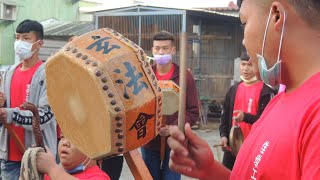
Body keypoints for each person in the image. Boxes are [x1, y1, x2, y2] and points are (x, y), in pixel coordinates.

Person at [167, 0, 320, 179]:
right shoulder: (282, 98)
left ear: (277, 16)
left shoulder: (314, 114)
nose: (244, 41)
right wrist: (211, 170)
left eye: (244, 24)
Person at [0, 19, 57, 180]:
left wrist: (9, 113)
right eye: (17, 37)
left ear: (39, 44)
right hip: (8, 160)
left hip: (38, 159)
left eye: (26, 38)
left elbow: (45, 116)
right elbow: (3, 114)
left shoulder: (49, 74)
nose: (19, 43)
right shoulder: (8, 73)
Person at [141, 30, 199, 180]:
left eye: (165, 48)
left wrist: (173, 127)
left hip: (175, 143)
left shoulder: (184, 76)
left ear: (173, 49)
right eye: (157, 48)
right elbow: (138, 108)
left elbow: (192, 111)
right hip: (149, 142)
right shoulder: (145, 75)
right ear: (152, 50)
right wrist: (153, 127)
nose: (161, 52)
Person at [219, 51, 276, 170]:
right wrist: (224, 136)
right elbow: (224, 117)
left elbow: (268, 123)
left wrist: (245, 117)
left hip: (254, 150)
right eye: (243, 64)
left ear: (258, 66)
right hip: (232, 149)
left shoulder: (266, 92)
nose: (245, 69)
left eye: (249, 65)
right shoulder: (234, 89)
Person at [36, 135, 110, 180]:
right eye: (62, 137)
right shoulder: (49, 175)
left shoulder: (100, 177)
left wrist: (51, 168)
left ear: (92, 149)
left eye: (74, 138)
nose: (65, 143)